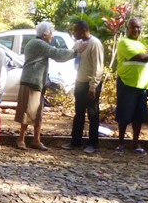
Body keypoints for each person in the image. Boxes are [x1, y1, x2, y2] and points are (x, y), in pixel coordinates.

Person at [15, 21, 73, 150]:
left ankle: (36, 139)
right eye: (51, 33)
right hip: (31, 81)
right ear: (45, 34)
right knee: (27, 111)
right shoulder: (39, 44)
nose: (52, 36)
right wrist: (75, 52)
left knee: (38, 112)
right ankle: (21, 139)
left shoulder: (35, 43)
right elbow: (57, 54)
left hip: (38, 82)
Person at [115, 18, 148, 153]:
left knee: (139, 117)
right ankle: (121, 143)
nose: (136, 30)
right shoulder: (124, 42)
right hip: (127, 83)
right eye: (133, 27)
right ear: (127, 28)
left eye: (138, 27)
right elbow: (140, 57)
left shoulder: (142, 45)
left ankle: (135, 143)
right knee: (124, 115)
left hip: (142, 86)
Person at [62, 20, 104, 153]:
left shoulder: (95, 44)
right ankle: (76, 141)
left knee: (93, 114)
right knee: (79, 113)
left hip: (91, 83)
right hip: (79, 82)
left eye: (76, 30)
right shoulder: (79, 43)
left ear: (83, 30)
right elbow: (69, 54)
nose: (74, 33)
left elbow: (98, 67)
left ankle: (93, 143)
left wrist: (93, 87)